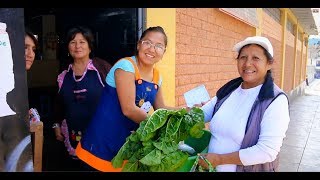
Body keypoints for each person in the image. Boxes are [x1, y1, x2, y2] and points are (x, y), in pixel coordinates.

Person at [76, 26, 178, 172]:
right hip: (102, 142)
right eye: (147, 42)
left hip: (125, 146)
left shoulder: (157, 76)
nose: (152, 49)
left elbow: (161, 108)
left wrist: (186, 111)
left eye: (158, 46)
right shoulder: (126, 66)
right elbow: (129, 110)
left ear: (164, 52)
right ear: (138, 44)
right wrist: (159, 130)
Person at [198, 36, 290, 172]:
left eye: (256, 58)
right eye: (243, 57)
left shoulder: (274, 100)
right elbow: (202, 114)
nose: (247, 64)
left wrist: (219, 159)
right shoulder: (230, 89)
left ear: (269, 63)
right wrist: (172, 116)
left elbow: (267, 151)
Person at [52, 26, 112, 171]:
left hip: (101, 136)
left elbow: (118, 97)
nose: (77, 46)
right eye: (73, 42)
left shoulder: (102, 68)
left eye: (82, 42)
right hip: (73, 134)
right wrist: (56, 125)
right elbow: (59, 104)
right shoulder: (63, 75)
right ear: (68, 47)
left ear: (90, 46)